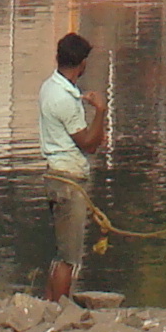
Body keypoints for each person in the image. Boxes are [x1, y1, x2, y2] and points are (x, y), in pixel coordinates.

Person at [37, 31, 107, 304]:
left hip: (55, 176)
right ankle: (60, 311)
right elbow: (89, 143)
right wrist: (100, 111)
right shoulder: (65, 100)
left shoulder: (49, 87)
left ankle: (48, 308)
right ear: (82, 64)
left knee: (61, 251)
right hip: (69, 182)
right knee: (70, 258)